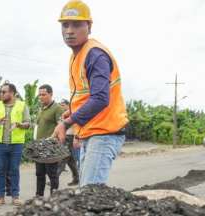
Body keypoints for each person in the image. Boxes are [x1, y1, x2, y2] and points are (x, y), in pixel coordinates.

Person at [53, 0, 129, 187]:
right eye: (65, 25)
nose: (69, 30)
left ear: (89, 26)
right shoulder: (77, 55)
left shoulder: (95, 55)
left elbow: (101, 99)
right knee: (86, 192)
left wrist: (67, 123)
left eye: (77, 24)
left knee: (90, 192)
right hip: (93, 131)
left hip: (105, 132)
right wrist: (72, 113)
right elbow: (86, 96)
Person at [0, 83, 30, 206]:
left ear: (12, 93)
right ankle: (0, 197)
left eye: (4, 92)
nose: (1, 94)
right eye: (1, 92)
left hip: (16, 144)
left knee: (14, 170)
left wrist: (19, 124)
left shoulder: (22, 105)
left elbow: (28, 123)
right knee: (0, 170)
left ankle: (15, 196)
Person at [35, 84, 63, 197]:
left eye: (44, 94)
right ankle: (39, 197)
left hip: (51, 147)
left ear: (51, 94)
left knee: (52, 175)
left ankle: (54, 198)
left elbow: (61, 126)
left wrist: (52, 139)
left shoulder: (57, 109)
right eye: (39, 95)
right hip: (39, 147)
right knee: (39, 174)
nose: (41, 97)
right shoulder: (41, 108)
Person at [59, 99, 79, 186]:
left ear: (68, 105)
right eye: (61, 105)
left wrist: (76, 136)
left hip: (71, 136)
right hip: (66, 136)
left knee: (63, 157)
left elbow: (76, 125)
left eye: (63, 105)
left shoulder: (72, 113)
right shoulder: (63, 114)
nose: (61, 106)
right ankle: (76, 178)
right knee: (71, 161)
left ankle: (55, 176)